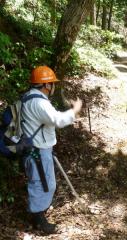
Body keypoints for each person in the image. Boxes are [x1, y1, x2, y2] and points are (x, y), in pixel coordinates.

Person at [22, 66, 82, 234]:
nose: (54, 87)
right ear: (46, 85)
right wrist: (75, 110)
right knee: (42, 183)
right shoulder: (39, 102)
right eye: (52, 84)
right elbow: (58, 120)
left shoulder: (28, 97)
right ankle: (38, 220)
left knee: (43, 182)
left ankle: (38, 213)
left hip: (36, 147)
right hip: (38, 150)